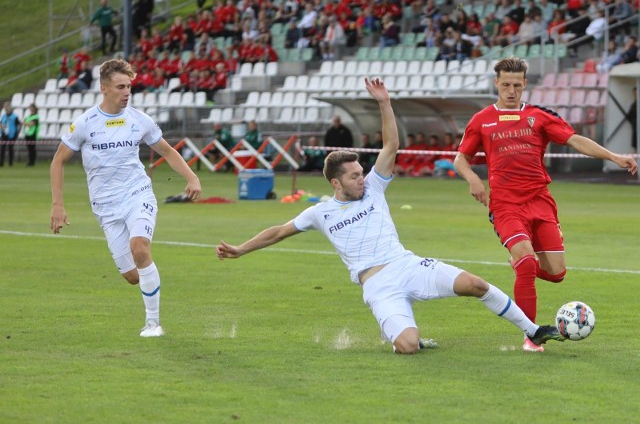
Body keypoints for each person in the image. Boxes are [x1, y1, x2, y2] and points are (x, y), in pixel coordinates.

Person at [216, 77, 564, 355]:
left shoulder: (374, 188)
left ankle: (533, 330)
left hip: (408, 265)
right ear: (336, 183)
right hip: (378, 285)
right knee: (408, 347)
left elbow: (390, 147)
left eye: (361, 171)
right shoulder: (319, 212)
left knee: (476, 285)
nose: (362, 177)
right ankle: (404, 334)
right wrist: (241, 249)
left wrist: (385, 103)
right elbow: (278, 231)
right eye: (354, 175)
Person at [453, 58, 638, 353]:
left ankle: (521, 265)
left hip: (540, 201)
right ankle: (532, 336)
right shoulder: (482, 119)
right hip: (505, 205)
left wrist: (614, 157)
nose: (511, 90)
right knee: (527, 264)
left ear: (525, 84)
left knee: (556, 273)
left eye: (516, 85)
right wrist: (473, 179)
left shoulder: (539, 116)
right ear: (496, 84)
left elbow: (575, 140)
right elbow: (460, 158)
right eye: (505, 85)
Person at [50, 59, 202, 337]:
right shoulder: (85, 123)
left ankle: (153, 323)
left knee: (140, 248)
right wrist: (58, 205)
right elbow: (57, 161)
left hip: (137, 194)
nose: (126, 92)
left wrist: (191, 177)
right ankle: (148, 279)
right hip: (105, 207)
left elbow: (167, 151)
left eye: (129, 86)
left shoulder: (139, 120)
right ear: (104, 88)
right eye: (120, 87)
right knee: (133, 276)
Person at [0, 103, 21, 168]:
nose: (5, 108)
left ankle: (10, 163)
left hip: (12, 135)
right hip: (4, 134)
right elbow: (0, 124)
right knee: (2, 148)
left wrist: (16, 134)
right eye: (5, 107)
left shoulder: (14, 116)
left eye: (6, 107)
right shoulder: (3, 116)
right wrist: (2, 126)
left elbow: (18, 125)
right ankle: (1, 162)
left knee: (10, 148)